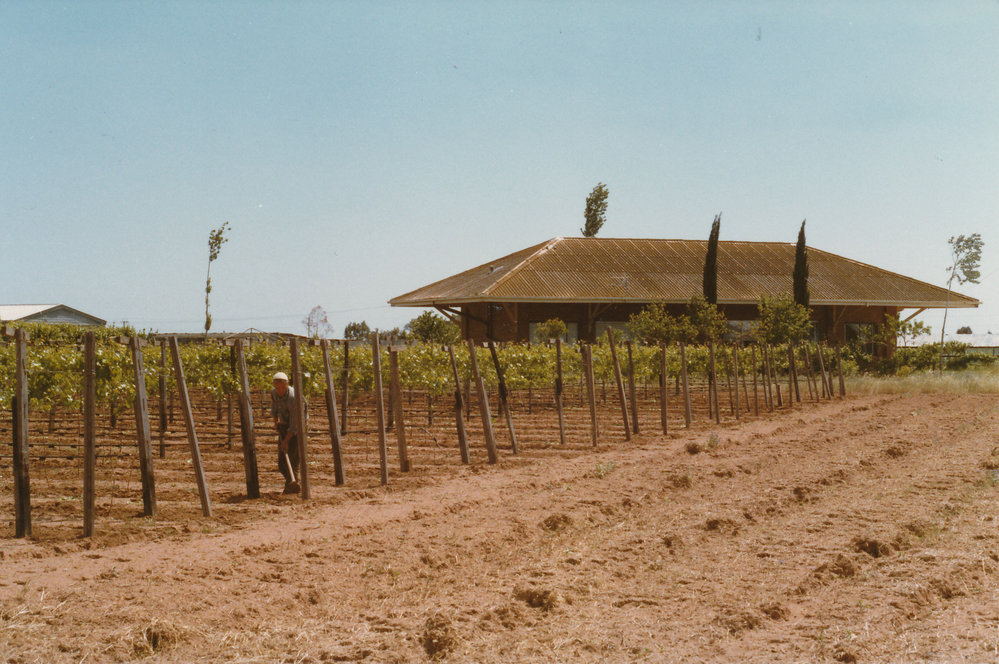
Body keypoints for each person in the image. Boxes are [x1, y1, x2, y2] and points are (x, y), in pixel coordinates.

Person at [270, 371, 301, 494]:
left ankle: (292, 485)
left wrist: (286, 441)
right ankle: (291, 482)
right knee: (281, 464)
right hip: (284, 424)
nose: (280, 390)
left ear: (287, 384)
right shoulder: (274, 393)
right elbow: (274, 408)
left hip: (298, 426)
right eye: (277, 388)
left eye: (283, 387)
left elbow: (294, 425)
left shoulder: (293, 398)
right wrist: (276, 422)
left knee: (293, 458)